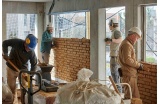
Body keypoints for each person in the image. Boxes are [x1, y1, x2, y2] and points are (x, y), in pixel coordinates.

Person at [2, 34, 38, 104]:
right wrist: (6, 53)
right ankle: (14, 102)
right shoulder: (17, 42)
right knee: (12, 89)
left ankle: (24, 102)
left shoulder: (31, 52)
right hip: (11, 68)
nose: (28, 50)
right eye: (28, 47)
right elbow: (5, 43)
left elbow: (34, 65)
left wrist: (30, 75)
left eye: (30, 49)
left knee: (25, 89)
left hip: (23, 70)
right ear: (25, 42)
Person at [118, 27, 143, 99]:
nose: (137, 40)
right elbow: (127, 60)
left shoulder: (126, 43)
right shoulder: (127, 45)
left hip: (129, 74)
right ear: (133, 35)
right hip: (129, 75)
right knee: (132, 97)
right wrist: (139, 65)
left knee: (131, 96)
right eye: (137, 38)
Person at [105, 18, 123, 93]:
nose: (109, 26)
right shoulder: (114, 32)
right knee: (115, 75)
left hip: (115, 57)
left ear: (112, 24)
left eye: (109, 25)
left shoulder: (116, 32)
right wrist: (109, 41)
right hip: (114, 56)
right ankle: (118, 92)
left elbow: (120, 40)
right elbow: (115, 42)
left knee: (115, 76)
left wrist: (111, 40)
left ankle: (118, 93)